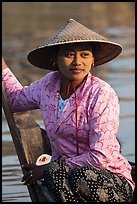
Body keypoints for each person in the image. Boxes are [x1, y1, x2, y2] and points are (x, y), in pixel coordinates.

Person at [2, 18, 135, 202]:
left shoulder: (102, 94)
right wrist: (3, 67)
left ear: (93, 60)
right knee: (54, 176)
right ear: (56, 59)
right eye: (68, 54)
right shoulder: (47, 85)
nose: (77, 62)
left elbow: (101, 157)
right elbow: (15, 100)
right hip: (63, 177)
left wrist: (50, 168)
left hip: (107, 179)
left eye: (84, 55)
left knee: (76, 176)